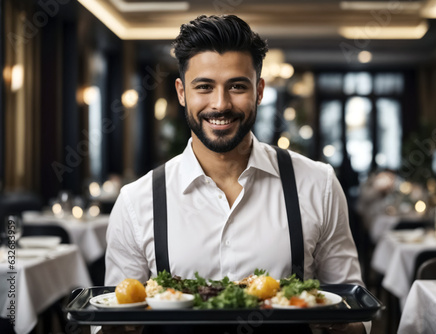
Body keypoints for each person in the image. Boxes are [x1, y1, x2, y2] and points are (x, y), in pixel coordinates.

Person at [104, 14, 369, 334]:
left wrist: (334, 323)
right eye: (204, 87)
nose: (220, 104)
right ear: (181, 92)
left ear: (258, 91)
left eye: (237, 87)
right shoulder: (136, 201)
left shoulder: (318, 184)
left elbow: (355, 314)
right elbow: (114, 318)